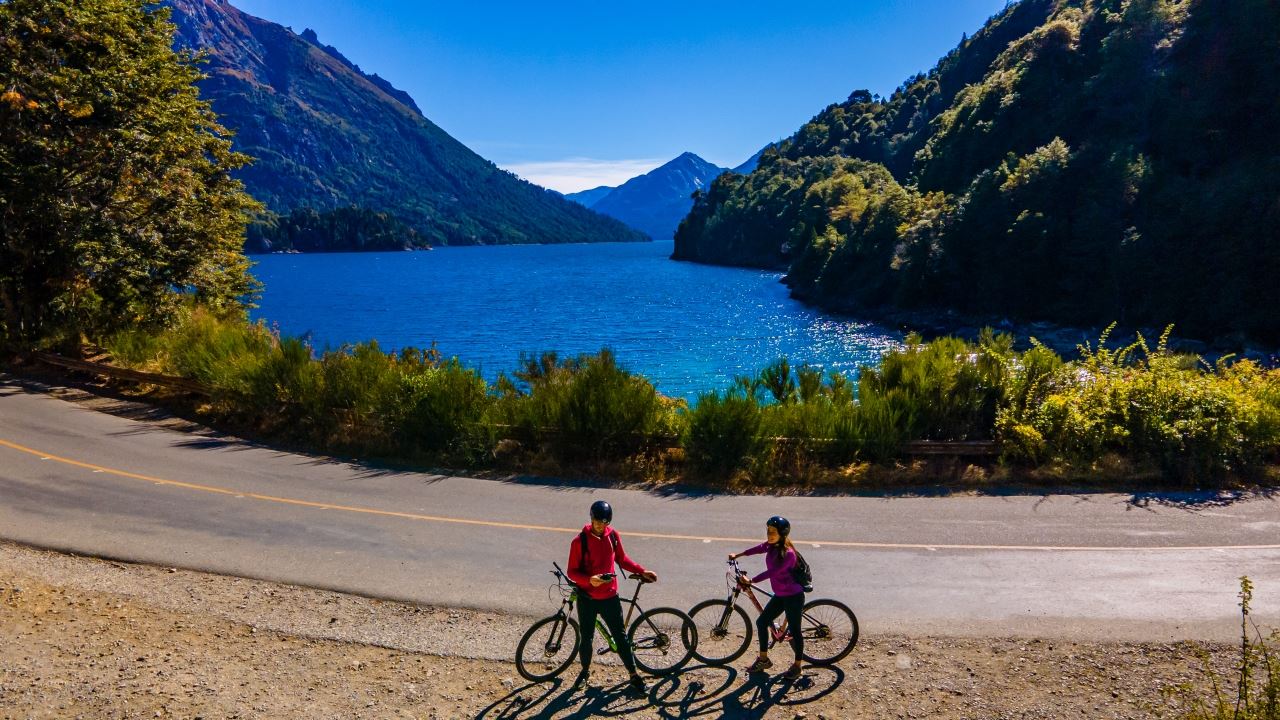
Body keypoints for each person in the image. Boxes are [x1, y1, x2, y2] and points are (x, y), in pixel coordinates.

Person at [566, 499, 658, 693]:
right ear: (591, 519)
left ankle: (633, 674)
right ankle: (584, 672)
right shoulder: (579, 541)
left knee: (621, 637)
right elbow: (572, 572)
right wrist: (590, 580)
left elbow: (622, 559)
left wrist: (642, 571)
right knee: (586, 638)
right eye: (598, 521)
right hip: (587, 598)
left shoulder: (613, 536)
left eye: (605, 522)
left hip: (609, 597)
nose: (601, 526)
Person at [728, 515, 805, 680]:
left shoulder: (789, 553)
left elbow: (774, 571)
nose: (769, 534)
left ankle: (798, 666)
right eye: (768, 531)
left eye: (773, 532)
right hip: (780, 595)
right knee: (762, 622)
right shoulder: (771, 546)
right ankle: (763, 659)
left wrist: (752, 580)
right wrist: (738, 555)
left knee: (796, 631)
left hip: (793, 596)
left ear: (782, 533)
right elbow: (757, 549)